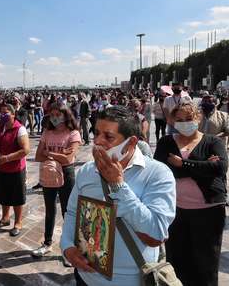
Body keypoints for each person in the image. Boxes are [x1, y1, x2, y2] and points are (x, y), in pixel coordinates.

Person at [61, 106, 176, 286]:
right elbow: (72, 213)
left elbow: (156, 231)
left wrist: (118, 186)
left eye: (108, 136)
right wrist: (67, 246)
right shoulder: (86, 171)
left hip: (131, 280)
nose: (98, 141)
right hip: (86, 277)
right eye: (96, 133)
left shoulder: (158, 173)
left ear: (130, 143)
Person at [154, 102, 228, 286]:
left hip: (209, 211)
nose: (184, 123)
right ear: (172, 121)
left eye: (188, 119)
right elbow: (160, 171)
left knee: (206, 263)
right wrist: (203, 166)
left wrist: (183, 164)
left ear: (198, 118)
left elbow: (220, 168)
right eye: (179, 120)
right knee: (177, 261)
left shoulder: (213, 141)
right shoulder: (166, 142)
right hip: (175, 211)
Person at [31, 103, 81, 264]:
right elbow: (38, 156)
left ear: (66, 115)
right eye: (51, 114)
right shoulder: (47, 132)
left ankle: (70, 249)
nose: (54, 118)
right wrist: (60, 154)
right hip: (49, 173)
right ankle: (47, 243)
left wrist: (50, 153)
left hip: (67, 174)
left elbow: (68, 159)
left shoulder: (73, 134)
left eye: (57, 114)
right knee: (50, 209)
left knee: (68, 211)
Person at [0, 103, 30, 237]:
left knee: (17, 197)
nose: (2, 115)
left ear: (13, 114)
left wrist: (7, 158)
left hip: (16, 169)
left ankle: (18, 222)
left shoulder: (19, 129)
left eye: (6, 112)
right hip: (1, 168)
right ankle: (5, 218)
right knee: (4, 195)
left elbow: (25, 150)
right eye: (1, 112)